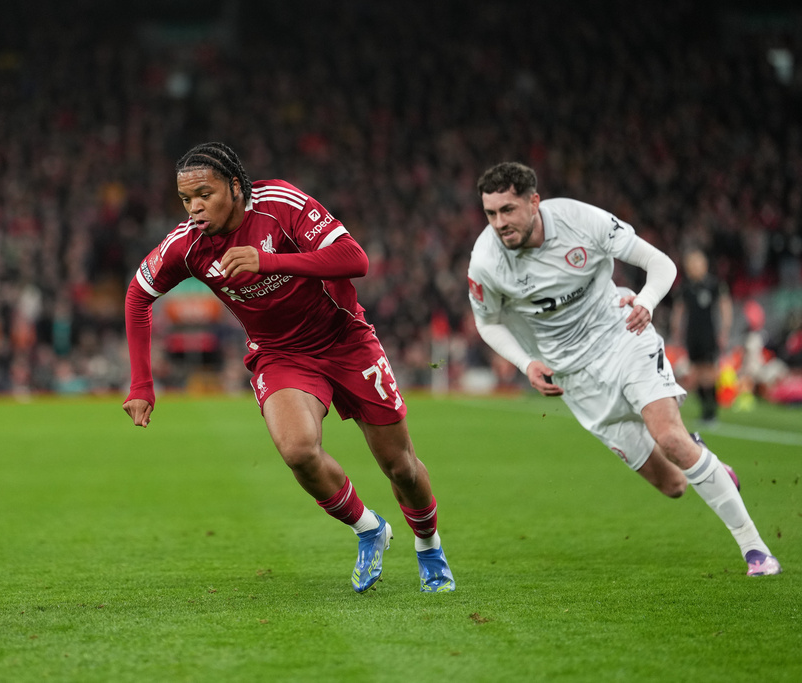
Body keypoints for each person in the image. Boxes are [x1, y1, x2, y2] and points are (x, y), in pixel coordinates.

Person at [123, 142, 455, 593]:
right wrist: (142, 384)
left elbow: (355, 260)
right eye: (186, 199)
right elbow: (137, 296)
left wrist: (271, 261)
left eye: (205, 193)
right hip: (280, 355)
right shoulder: (188, 245)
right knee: (298, 451)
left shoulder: (282, 204)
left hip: (347, 342)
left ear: (236, 187)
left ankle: (429, 545)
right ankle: (369, 529)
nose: (195, 207)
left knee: (401, 467)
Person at [466, 161, 781, 577]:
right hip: (575, 378)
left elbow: (662, 264)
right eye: (491, 214)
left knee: (670, 437)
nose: (499, 224)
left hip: (622, 336)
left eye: (508, 210)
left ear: (533, 202)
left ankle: (755, 550)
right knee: (674, 485)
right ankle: (706, 459)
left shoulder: (581, 221)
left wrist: (646, 303)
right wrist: (526, 363)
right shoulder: (486, 261)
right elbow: (487, 322)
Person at [670, 249, 732, 424]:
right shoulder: (685, 286)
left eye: (698, 263)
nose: (695, 267)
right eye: (692, 264)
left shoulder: (713, 284)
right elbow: (679, 309)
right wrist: (676, 329)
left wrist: (724, 330)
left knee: (709, 371)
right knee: (696, 372)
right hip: (692, 333)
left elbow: (724, 305)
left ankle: (712, 410)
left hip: (708, 332)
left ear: (704, 265)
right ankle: (705, 410)